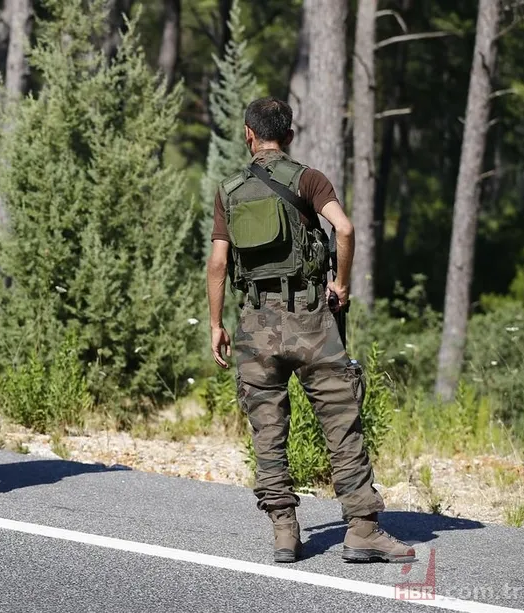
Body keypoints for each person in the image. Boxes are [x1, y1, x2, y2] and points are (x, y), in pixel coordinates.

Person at [206, 97, 415, 563]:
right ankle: (361, 530)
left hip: (255, 324)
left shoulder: (230, 189)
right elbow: (344, 228)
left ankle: (285, 532)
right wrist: (339, 283)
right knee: (341, 422)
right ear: (290, 135)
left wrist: (217, 324)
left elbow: (218, 262)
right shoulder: (308, 179)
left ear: (248, 134)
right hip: (310, 319)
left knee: (267, 429)